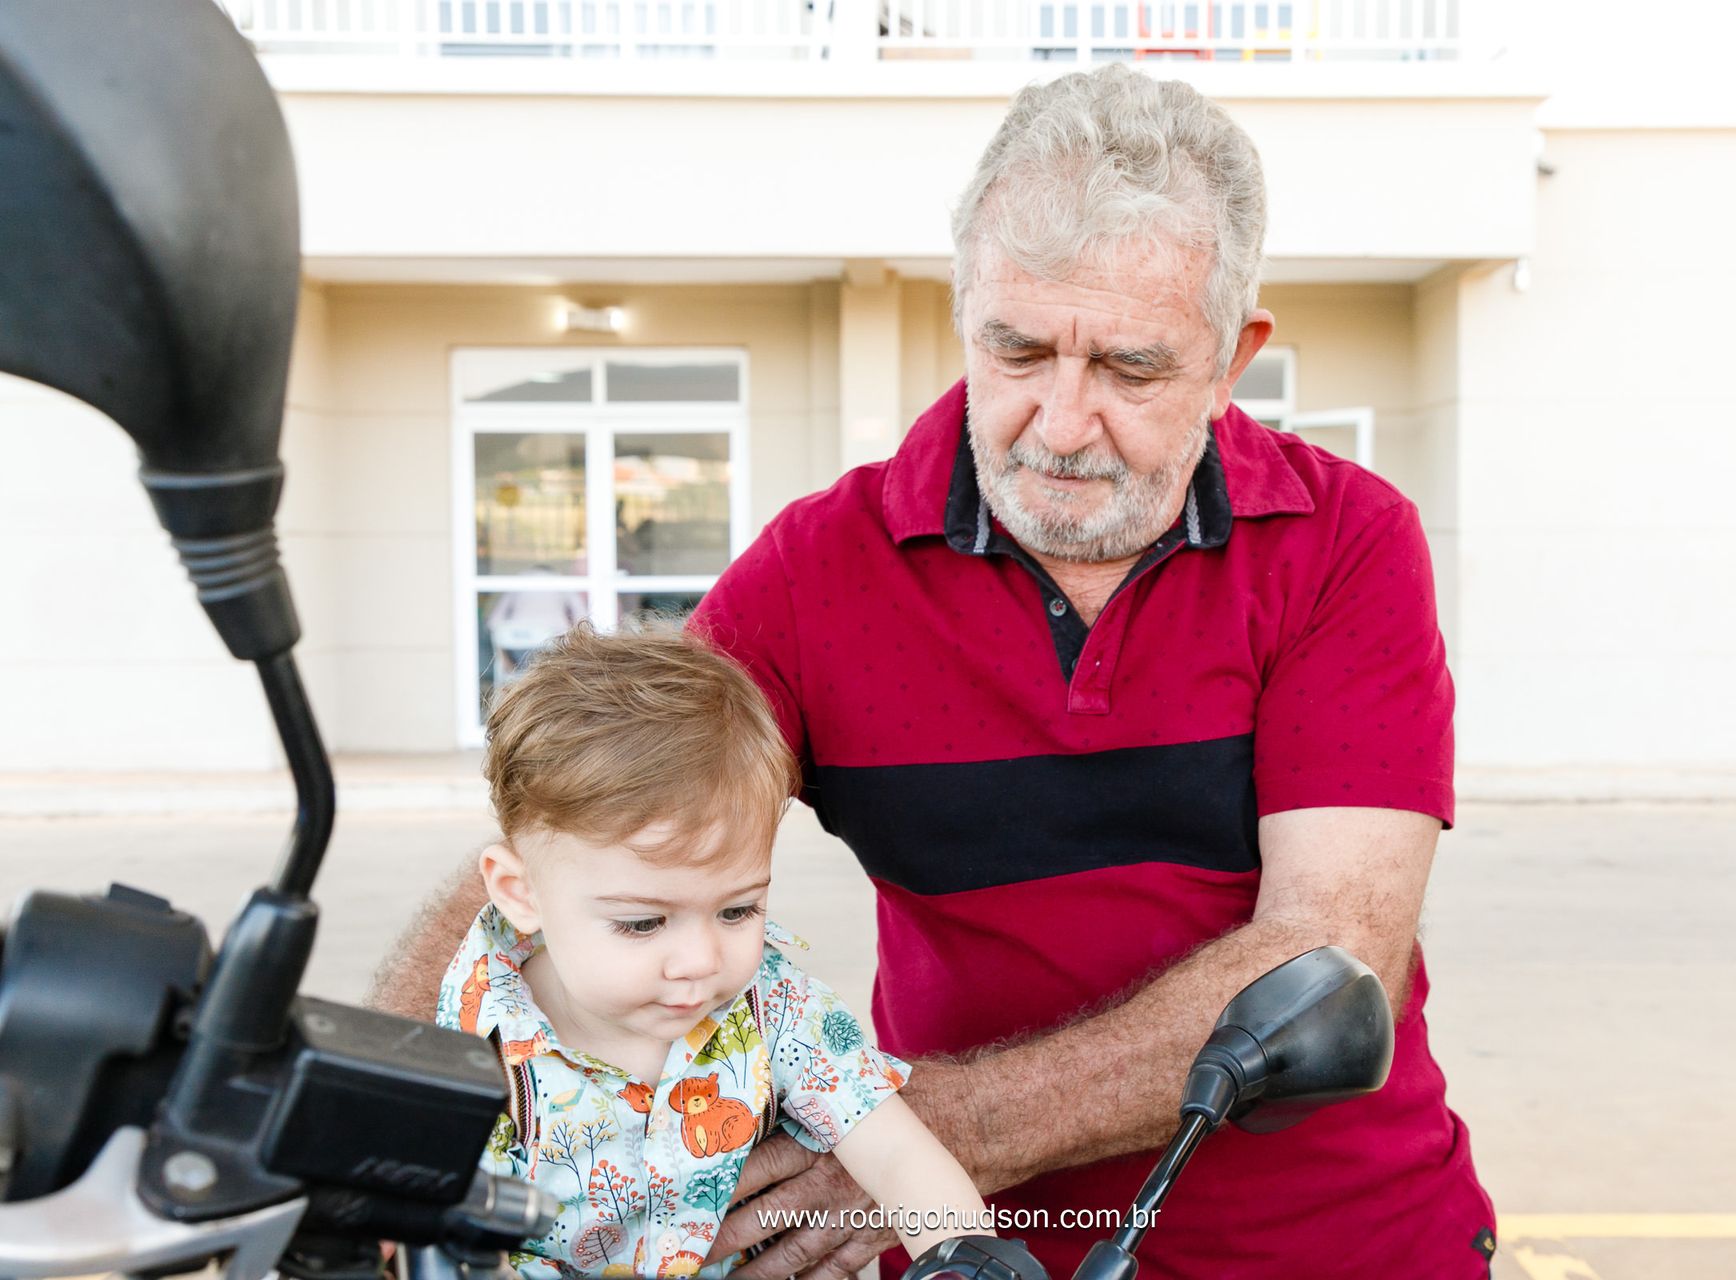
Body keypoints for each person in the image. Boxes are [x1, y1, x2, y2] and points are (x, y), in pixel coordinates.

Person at [376, 64, 1493, 1278]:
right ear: (967, 313)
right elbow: (580, 827)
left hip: (1340, 1245)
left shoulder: (1345, 543)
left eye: (1128, 368)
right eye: (1016, 351)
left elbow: (1328, 953)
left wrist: (908, 1136)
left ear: (1233, 360)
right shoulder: (821, 572)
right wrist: (362, 1120)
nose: (1060, 423)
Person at [435, 625, 991, 1277]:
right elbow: (435, 1228)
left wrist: (969, 1260)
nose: (700, 959)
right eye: (643, 923)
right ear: (519, 891)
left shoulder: (775, 1006)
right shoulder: (480, 1039)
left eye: (737, 910)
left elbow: (897, 1155)